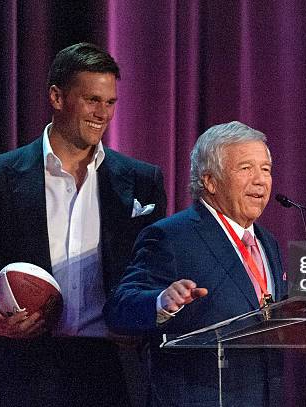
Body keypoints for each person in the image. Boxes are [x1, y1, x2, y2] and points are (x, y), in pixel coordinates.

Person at [0, 42, 166, 406]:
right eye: (91, 100)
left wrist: (142, 321)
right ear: (56, 96)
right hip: (25, 367)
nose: (103, 113)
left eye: (110, 102)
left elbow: (154, 273)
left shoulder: (141, 179)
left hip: (112, 367)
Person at [104, 121, 287, 406]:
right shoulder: (171, 237)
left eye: (265, 169)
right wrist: (160, 301)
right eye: (246, 168)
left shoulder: (268, 242)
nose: (260, 180)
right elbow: (118, 308)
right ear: (210, 181)